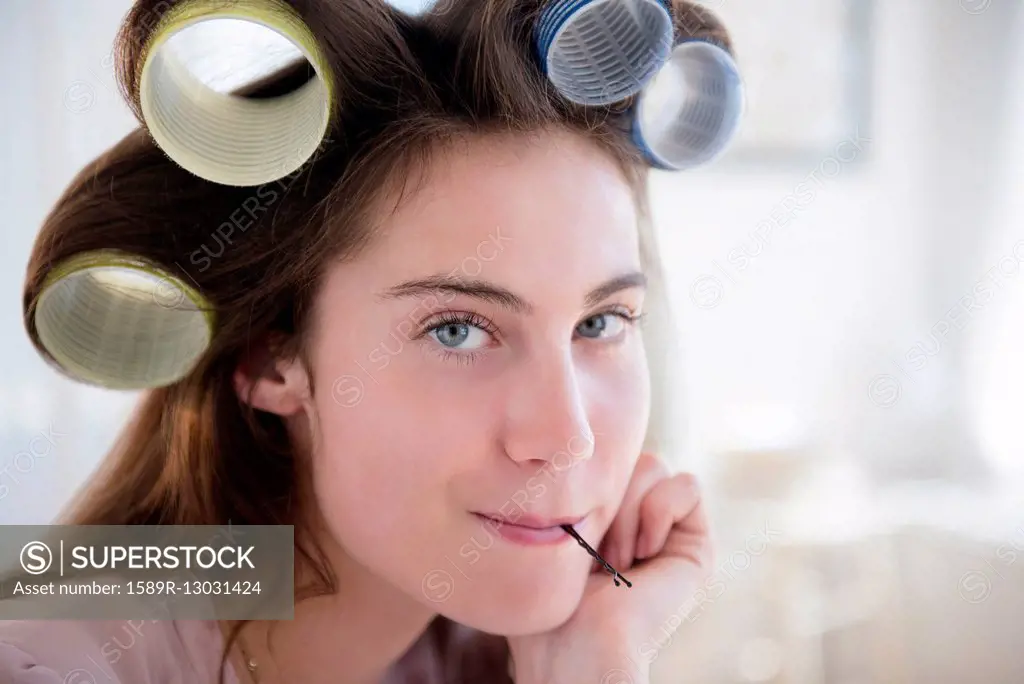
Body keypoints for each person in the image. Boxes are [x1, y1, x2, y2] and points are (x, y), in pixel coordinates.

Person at [0, 0, 733, 681]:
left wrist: (583, 667)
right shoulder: (44, 653)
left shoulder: (474, 643)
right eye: (458, 329)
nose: (564, 438)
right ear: (269, 355)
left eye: (600, 323)